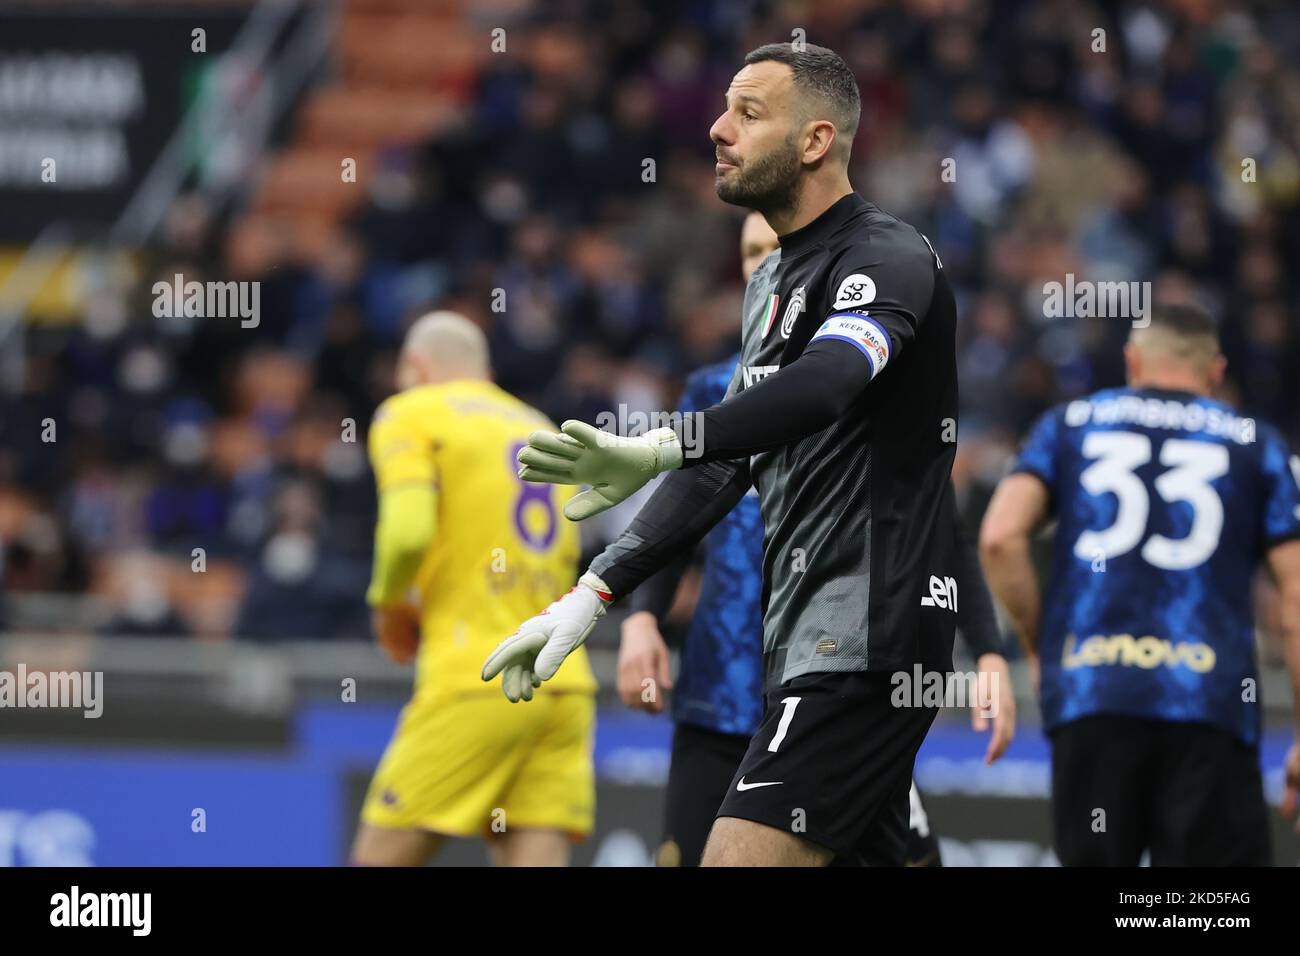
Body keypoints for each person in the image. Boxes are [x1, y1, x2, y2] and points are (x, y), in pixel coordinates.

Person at [484, 43, 961, 866]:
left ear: (814, 141)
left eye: (748, 113)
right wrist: (596, 592)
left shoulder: (886, 257)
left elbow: (826, 387)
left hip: (864, 634)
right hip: (805, 636)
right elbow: (727, 461)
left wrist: (669, 440)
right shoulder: (770, 282)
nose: (716, 129)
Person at [620, 212, 1015, 867]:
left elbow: (937, 523)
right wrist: (641, 619)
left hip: (837, 679)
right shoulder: (714, 388)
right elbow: (684, 511)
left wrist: (990, 650)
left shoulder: (873, 374)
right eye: (748, 253)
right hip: (725, 688)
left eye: (774, 248)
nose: (761, 265)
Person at [980, 302, 1300, 865]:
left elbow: (1000, 539)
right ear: (1216, 371)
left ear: (1132, 360)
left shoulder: (1069, 424)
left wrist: (1039, 644)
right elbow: (1296, 596)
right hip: (1207, 705)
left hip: (1093, 695)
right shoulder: (1257, 445)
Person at [351, 311, 597, 867]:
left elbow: (408, 531)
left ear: (415, 367)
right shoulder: (541, 425)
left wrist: (387, 601)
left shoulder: (411, 411)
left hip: (475, 675)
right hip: (561, 682)